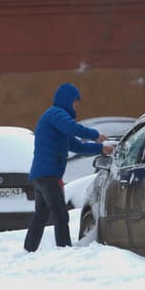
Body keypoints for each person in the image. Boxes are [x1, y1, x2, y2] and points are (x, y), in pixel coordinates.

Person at [23, 83, 114, 252]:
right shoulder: (56, 114)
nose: (76, 106)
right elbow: (73, 128)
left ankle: (29, 250)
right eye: (74, 102)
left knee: (41, 215)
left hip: (41, 175)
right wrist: (95, 136)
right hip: (48, 174)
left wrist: (101, 149)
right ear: (67, 100)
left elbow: (77, 146)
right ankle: (64, 250)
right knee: (60, 215)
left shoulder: (57, 121)